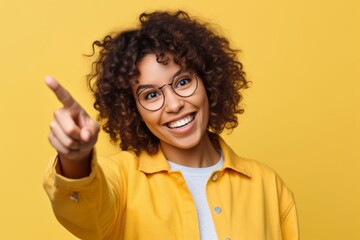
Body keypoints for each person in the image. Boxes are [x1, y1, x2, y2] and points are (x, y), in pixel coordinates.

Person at [43, 10, 299, 240]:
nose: (174, 104)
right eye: (150, 95)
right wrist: (76, 158)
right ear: (134, 110)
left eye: (183, 82)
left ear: (208, 82)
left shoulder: (267, 185)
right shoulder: (120, 178)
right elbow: (85, 213)